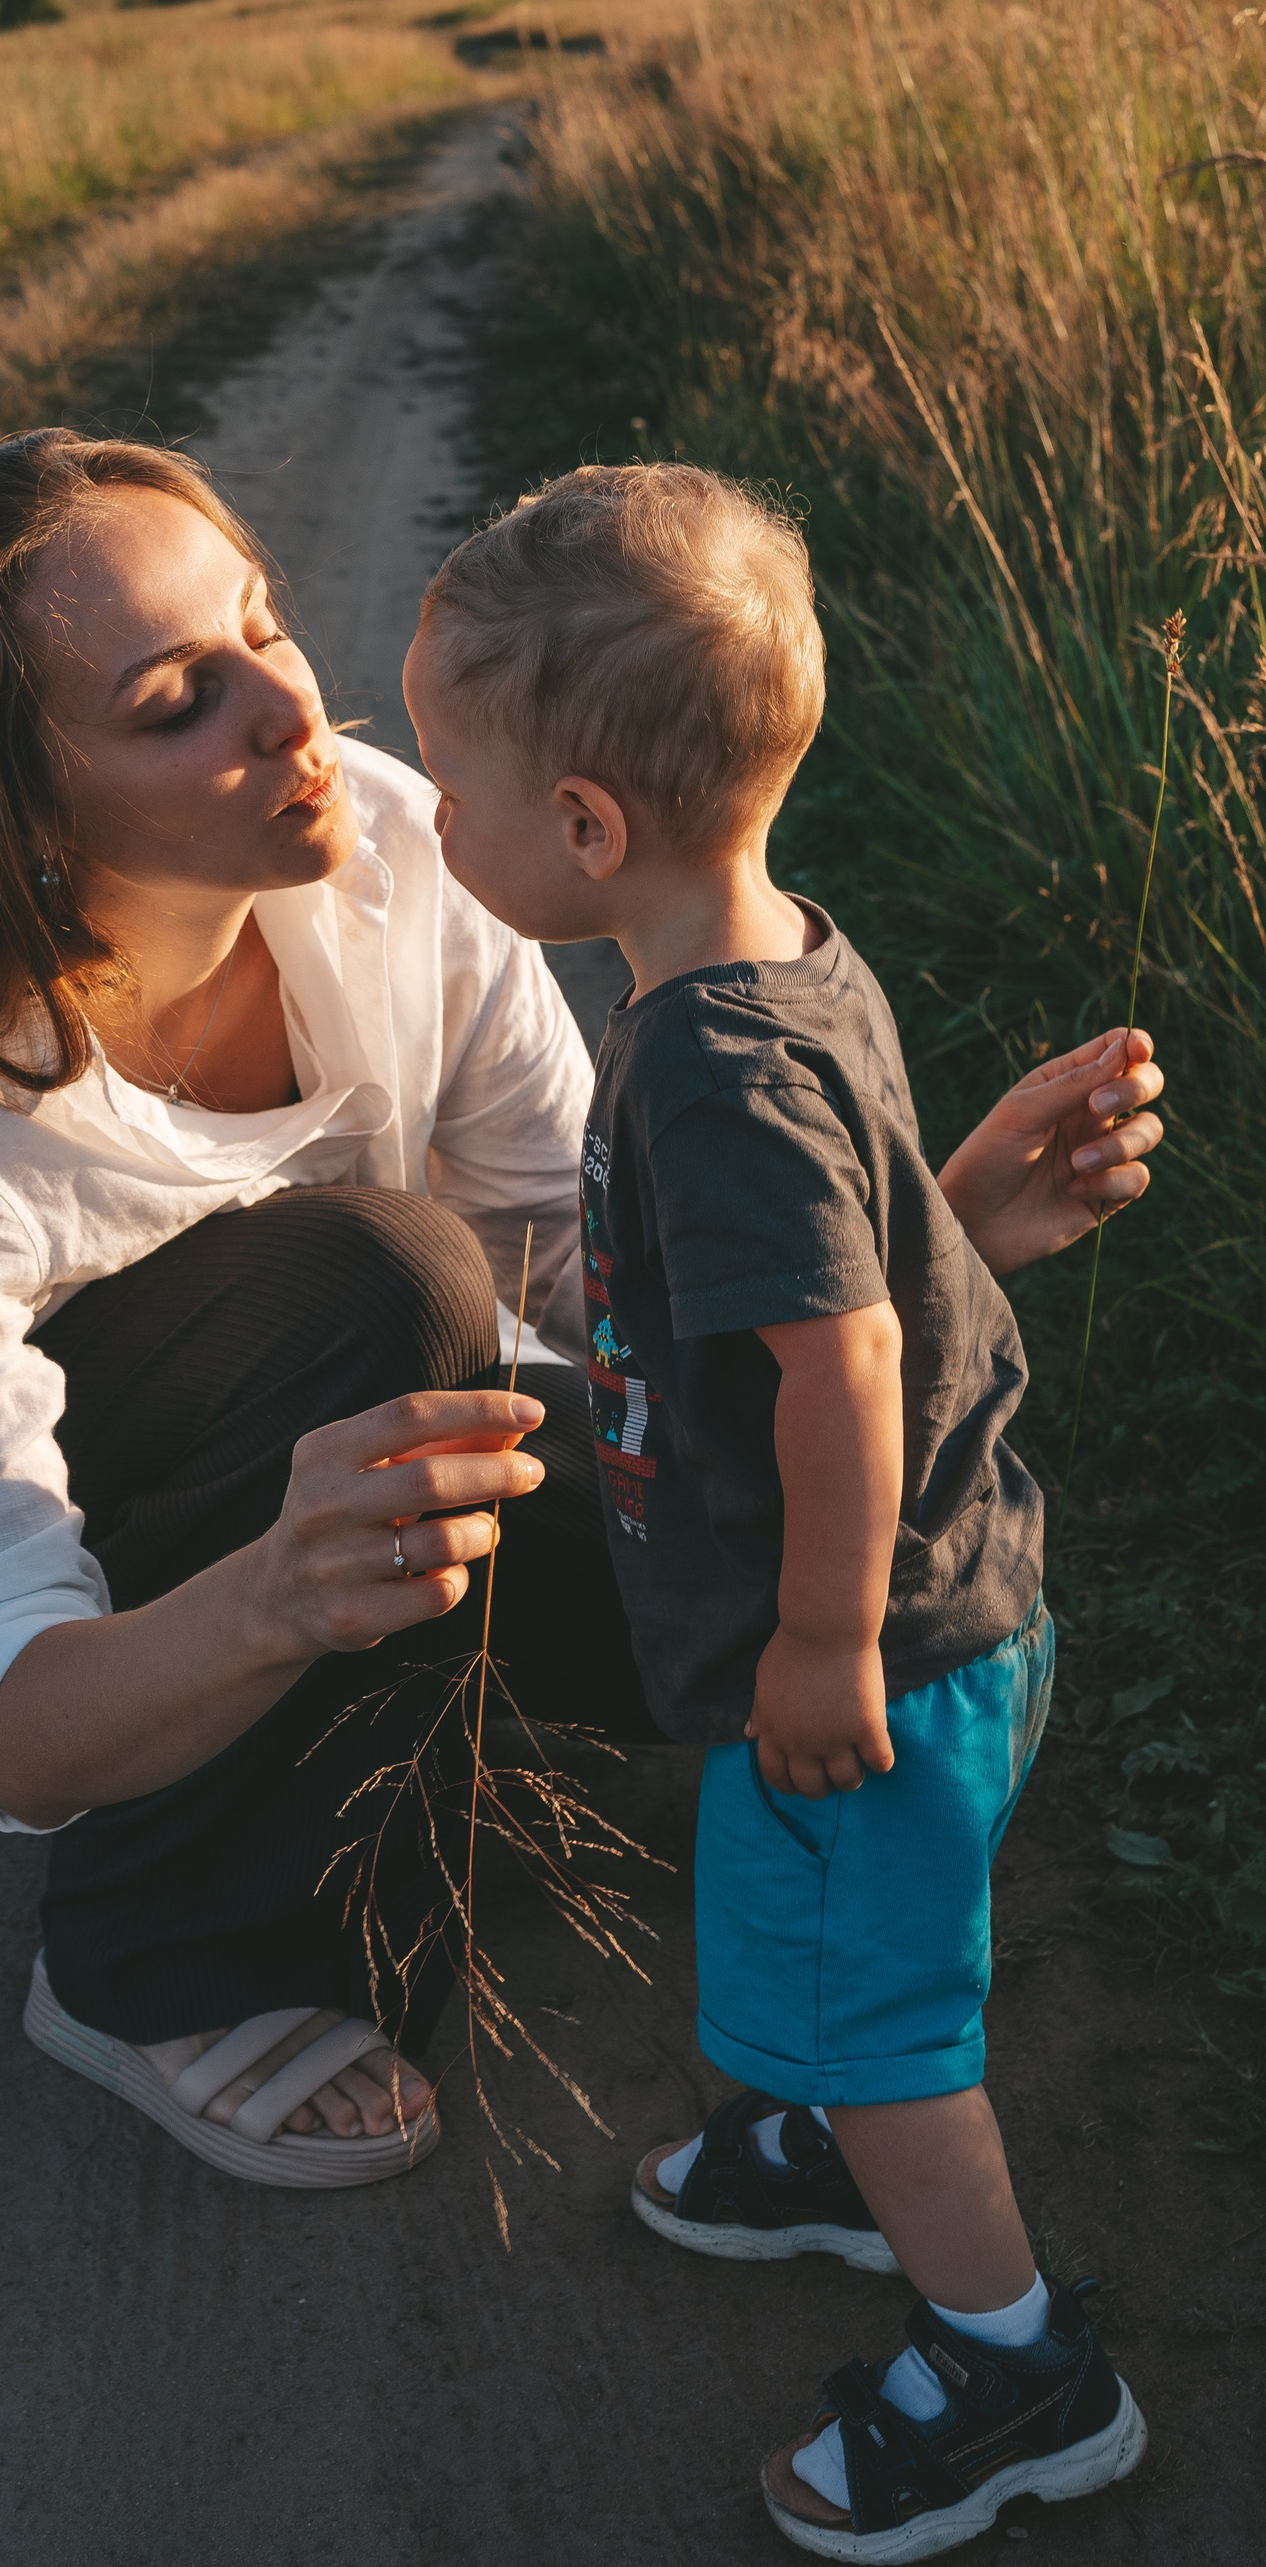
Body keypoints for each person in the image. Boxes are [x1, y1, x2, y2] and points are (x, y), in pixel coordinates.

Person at [0, 429, 1167, 2205]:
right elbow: (9, 1720)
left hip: (307, 1404)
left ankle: (330, 1657)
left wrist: (913, 1248)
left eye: (264, 626)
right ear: (18, 815)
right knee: (390, 1281)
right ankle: (156, 1966)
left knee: (725, 1604)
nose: (289, 709)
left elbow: (586, 1259)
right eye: (178, 702)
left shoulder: (382, 845)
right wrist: (278, 1598)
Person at [401, 460, 1147, 2555]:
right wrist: (982, 1202)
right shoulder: (778, 955)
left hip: (870, 1656)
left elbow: (846, 1363)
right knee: (844, 1965)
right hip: (944, 1607)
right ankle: (821, 2148)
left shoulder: (705, 1064)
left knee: (893, 2023)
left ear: (586, 828)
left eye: (449, 789)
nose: (427, 824)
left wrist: (819, 1642)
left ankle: (1016, 2365)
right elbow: (871, 1264)